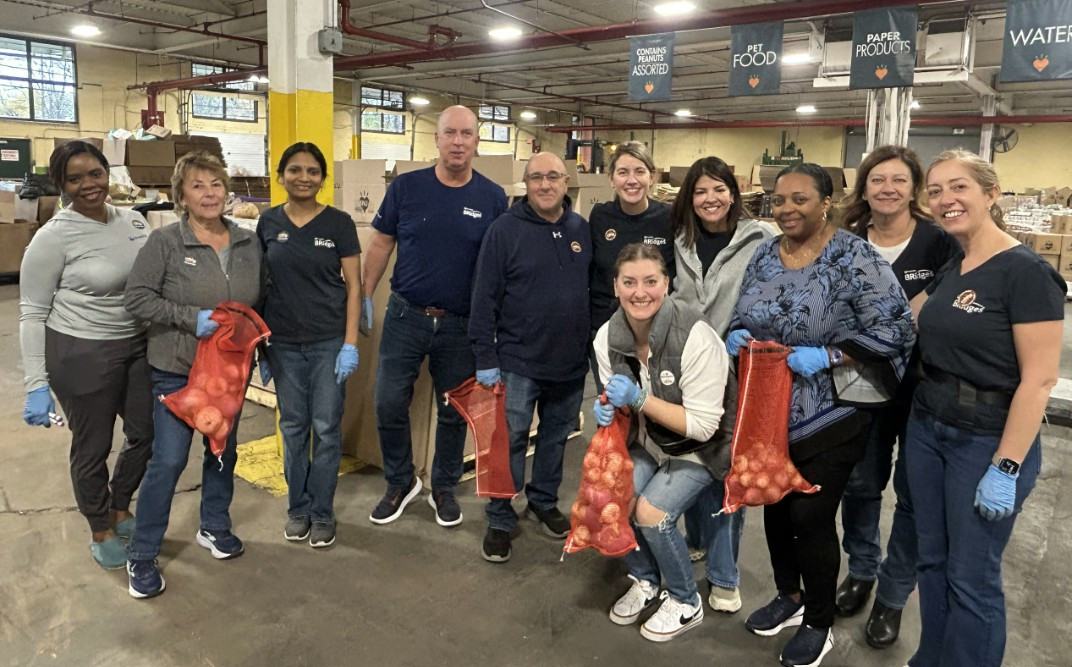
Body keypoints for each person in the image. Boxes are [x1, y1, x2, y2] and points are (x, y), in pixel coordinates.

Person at [728, 163, 914, 667]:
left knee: (810, 514)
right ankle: (789, 596)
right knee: (774, 503)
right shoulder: (766, 254)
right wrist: (737, 334)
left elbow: (897, 326)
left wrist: (832, 355)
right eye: (778, 199)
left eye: (800, 199)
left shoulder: (854, 256)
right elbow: (745, 310)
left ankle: (818, 618)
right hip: (769, 406)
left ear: (826, 202)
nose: (786, 208)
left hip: (832, 409)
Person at [905, 149, 1063, 667]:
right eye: (935, 191)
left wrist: (1007, 466)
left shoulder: (1026, 272)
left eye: (959, 187)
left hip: (986, 442)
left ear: (991, 193)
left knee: (971, 578)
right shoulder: (956, 262)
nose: (946, 199)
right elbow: (906, 318)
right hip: (928, 428)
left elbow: (1039, 379)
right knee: (932, 561)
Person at [833, 145, 960, 647]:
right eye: (877, 180)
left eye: (899, 181)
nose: (887, 188)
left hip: (925, 388)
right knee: (860, 484)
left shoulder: (940, 242)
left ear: (915, 190)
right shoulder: (846, 242)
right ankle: (861, 570)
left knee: (913, 496)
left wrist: (905, 315)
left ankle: (892, 594)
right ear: (863, 188)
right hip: (860, 384)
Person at [123, 151, 263, 598]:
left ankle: (214, 526)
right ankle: (142, 554)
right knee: (167, 460)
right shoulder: (165, 243)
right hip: (177, 372)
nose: (210, 193)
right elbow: (137, 298)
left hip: (227, 375)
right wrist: (188, 317)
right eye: (198, 185)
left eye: (216, 184)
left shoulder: (247, 241)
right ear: (181, 194)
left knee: (222, 454)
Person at [363, 105, 508, 528]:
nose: (458, 141)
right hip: (406, 315)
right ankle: (400, 481)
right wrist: (365, 296)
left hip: (461, 324)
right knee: (388, 401)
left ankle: (443, 485)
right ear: (437, 139)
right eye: (450, 133)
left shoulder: (492, 197)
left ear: (477, 142)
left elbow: (500, 264)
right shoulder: (406, 188)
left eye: (466, 134)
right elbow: (380, 244)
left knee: (453, 410)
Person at [18, 140, 153, 569]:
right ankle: (100, 526)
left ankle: (119, 504)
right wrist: (36, 383)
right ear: (62, 185)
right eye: (74, 178)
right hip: (80, 349)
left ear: (106, 173)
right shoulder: (52, 237)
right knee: (93, 445)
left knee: (146, 432)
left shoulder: (134, 221)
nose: (88, 185)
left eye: (94, 173)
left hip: (137, 345)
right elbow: (32, 313)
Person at [593, 242, 730, 643]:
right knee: (612, 497)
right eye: (630, 282)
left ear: (666, 284)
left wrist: (637, 400)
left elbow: (704, 426)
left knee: (651, 511)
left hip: (701, 448)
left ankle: (686, 600)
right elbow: (614, 400)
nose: (641, 292)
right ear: (615, 286)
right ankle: (646, 578)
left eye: (651, 281)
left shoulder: (695, 335)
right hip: (650, 441)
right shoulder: (607, 336)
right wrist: (609, 412)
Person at [470, 152, 589, 562]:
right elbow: (483, 298)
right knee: (509, 441)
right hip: (518, 360)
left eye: (553, 176)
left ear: (566, 181)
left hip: (569, 363)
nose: (545, 184)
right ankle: (500, 517)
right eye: (536, 177)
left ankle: (542, 501)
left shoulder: (580, 229)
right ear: (525, 184)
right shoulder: (504, 230)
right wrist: (485, 356)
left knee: (556, 438)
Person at [671, 155, 774, 616]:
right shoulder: (680, 241)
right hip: (686, 368)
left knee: (725, 473)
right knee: (687, 455)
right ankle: (696, 539)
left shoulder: (759, 240)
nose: (710, 199)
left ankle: (724, 577)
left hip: (736, 372)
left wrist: (741, 330)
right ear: (690, 199)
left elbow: (773, 295)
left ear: (733, 192)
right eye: (700, 191)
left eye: (718, 189)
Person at [256, 142, 361, 549]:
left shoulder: (338, 223)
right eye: (295, 170)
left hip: (327, 343)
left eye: (313, 171)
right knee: (294, 427)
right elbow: (259, 285)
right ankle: (297, 509)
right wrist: (260, 343)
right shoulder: (267, 223)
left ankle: (322, 512)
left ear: (322, 178)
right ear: (281, 175)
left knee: (327, 429)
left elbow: (354, 287)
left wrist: (349, 343)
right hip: (282, 344)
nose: (304, 178)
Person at [588, 141, 674, 394]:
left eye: (639, 171)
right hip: (607, 331)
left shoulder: (669, 218)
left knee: (655, 406)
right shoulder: (600, 217)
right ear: (611, 178)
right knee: (615, 407)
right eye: (623, 172)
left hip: (656, 333)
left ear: (652, 176)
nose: (631, 180)